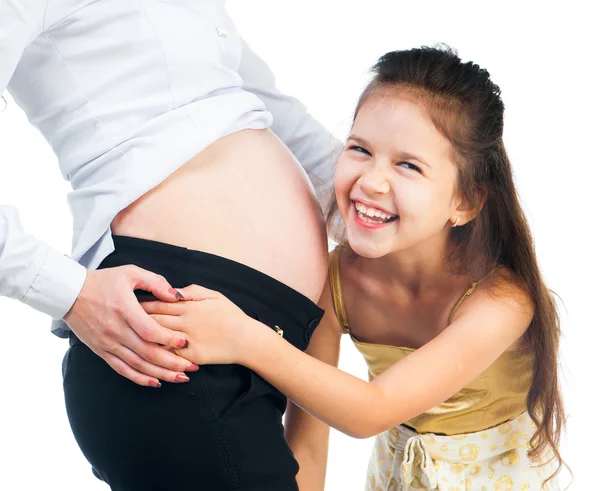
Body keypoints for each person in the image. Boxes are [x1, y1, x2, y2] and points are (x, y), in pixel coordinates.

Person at [145, 46, 566, 490]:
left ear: (465, 202)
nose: (371, 181)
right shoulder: (338, 281)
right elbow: (308, 442)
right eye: (360, 149)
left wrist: (245, 338)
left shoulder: (501, 301)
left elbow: (371, 410)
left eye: (408, 165)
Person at [1, 1, 339, 489]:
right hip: (166, 342)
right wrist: (70, 292)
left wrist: (426, 232)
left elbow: (277, 113)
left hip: (265, 346)